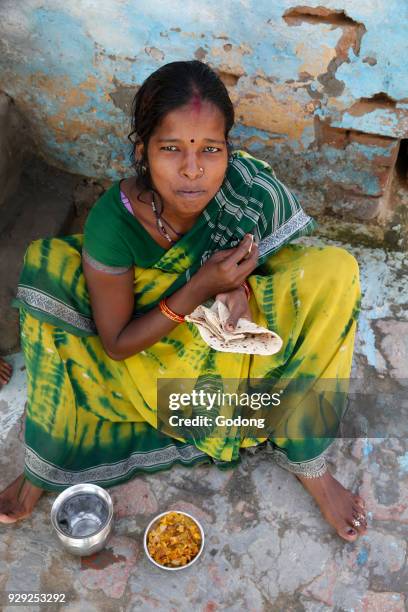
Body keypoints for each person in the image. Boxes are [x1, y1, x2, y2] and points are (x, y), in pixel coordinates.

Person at [0, 60, 367, 541]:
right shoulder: (115, 221)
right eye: (171, 148)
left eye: (210, 149)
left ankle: (305, 455)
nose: (193, 170)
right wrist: (199, 288)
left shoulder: (242, 186)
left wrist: (241, 286)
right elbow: (117, 343)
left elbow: (262, 252)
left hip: (225, 339)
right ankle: (44, 467)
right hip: (149, 360)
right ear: (143, 151)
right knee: (51, 272)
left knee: (335, 272)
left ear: (227, 150)